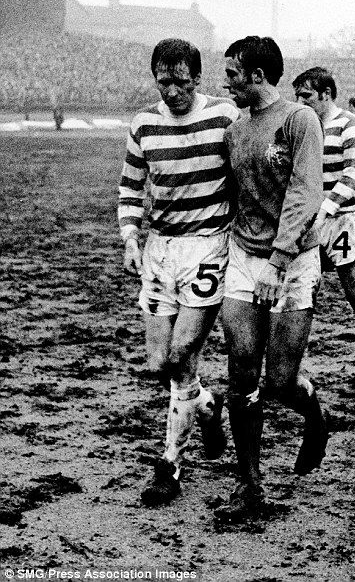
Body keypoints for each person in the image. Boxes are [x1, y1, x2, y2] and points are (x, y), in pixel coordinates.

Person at [118, 38, 239, 506]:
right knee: (161, 364)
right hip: (159, 249)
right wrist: (131, 238)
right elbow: (130, 190)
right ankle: (207, 408)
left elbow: (247, 175)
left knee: (182, 351)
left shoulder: (225, 117)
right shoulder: (143, 124)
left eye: (181, 82)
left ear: (198, 78)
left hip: (208, 247)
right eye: (163, 82)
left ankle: (170, 466)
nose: (171, 92)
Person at [215, 36, 328, 522]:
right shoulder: (236, 129)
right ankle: (250, 484)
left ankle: (317, 419)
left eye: (233, 75)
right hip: (245, 256)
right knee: (241, 372)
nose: (226, 84)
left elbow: (305, 192)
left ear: (257, 76)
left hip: (294, 259)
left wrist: (280, 260)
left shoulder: (299, 120)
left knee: (280, 382)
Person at [293, 67, 355, 397]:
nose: (300, 101)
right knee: (300, 299)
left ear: (326, 94)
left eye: (306, 96)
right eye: (297, 96)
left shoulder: (349, 123)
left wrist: (325, 211)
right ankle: (293, 375)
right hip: (311, 222)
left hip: (343, 219)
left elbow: (352, 175)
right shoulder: (304, 126)